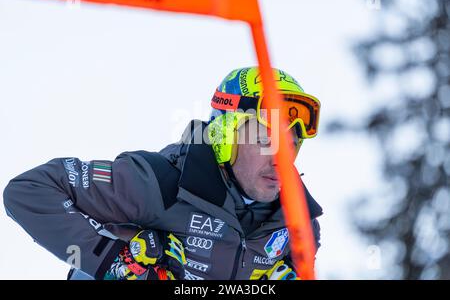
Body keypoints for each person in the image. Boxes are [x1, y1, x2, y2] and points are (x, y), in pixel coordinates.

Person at [3, 67, 323, 280]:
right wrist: (115, 260)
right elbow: (31, 189)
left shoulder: (297, 224)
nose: (282, 159)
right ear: (226, 135)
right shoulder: (159, 183)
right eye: (267, 140)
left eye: (292, 145)